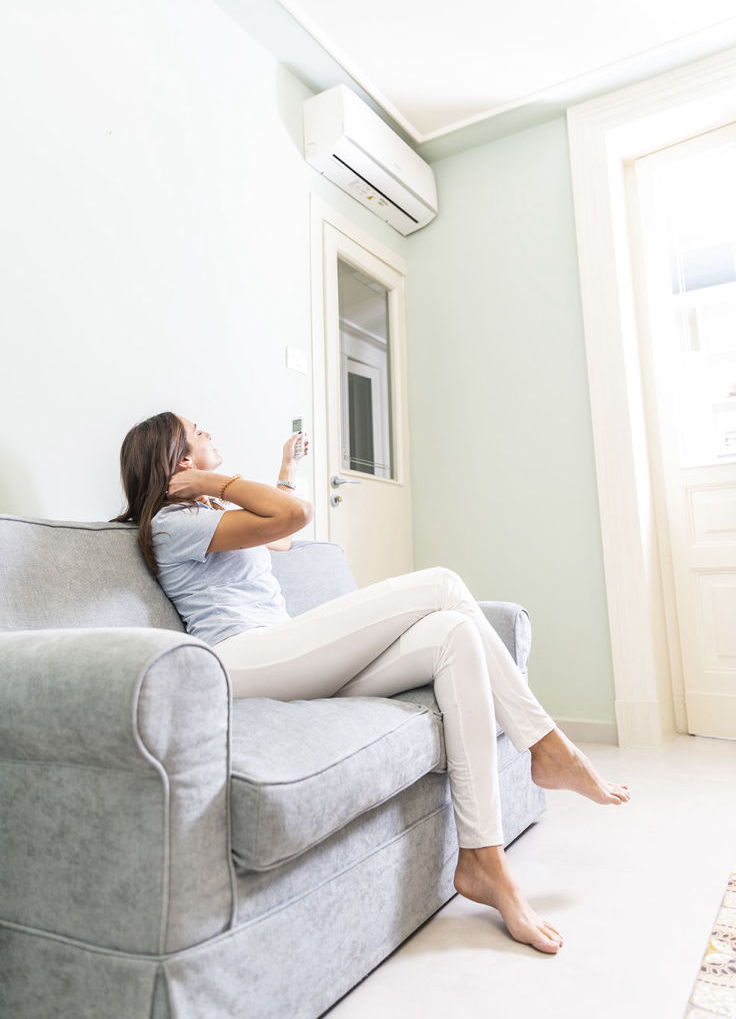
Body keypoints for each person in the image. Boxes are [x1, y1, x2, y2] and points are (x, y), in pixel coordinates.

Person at [115, 410, 630, 956]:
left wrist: (284, 466)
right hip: (236, 662)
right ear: (180, 460)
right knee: (441, 584)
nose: (210, 431)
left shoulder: (209, 518)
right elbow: (296, 515)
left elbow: (281, 540)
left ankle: (483, 857)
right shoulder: (174, 523)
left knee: (453, 632)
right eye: (198, 431)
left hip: (278, 652)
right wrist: (213, 483)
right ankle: (549, 747)